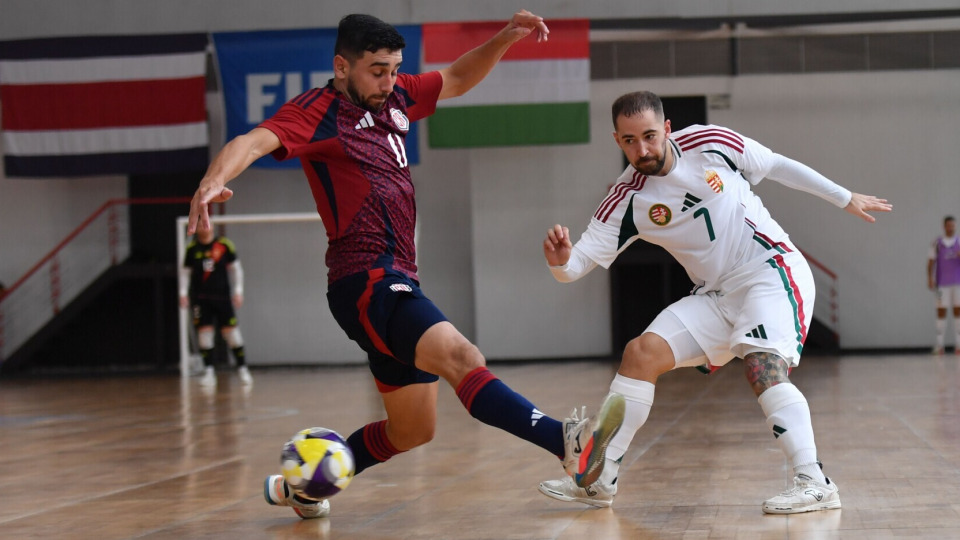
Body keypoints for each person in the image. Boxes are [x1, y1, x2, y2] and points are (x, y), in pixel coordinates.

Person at [187, 12, 625, 520]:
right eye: (376, 70)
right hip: (363, 280)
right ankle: (569, 446)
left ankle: (304, 486)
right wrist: (211, 181)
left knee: (413, 430)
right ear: (341, 65)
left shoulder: (395, 98)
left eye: (395, 69)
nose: (389, 81)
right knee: (463, 356)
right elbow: (252, 141)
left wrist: (505, 37)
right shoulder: (316, 111)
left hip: (396, 281)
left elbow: (457, 77)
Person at [539, 90, 891, 514]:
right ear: (617, 141)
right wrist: (560, 262)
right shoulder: (626, 198)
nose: (643, 149)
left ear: (667, 128)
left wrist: (843, 196)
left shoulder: (710, 144)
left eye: (650, 135)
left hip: (770, 269)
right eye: (630, 140)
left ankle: (814, 480)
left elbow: (776, 164)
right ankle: (598, 478)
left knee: (761, 364)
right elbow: (576, 264)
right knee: (641, 353)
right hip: (715, 295)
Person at [179, 227, 253, 387]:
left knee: (232, 333)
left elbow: (236, 270)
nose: (203, 228)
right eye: (200, 224)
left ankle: (242, 369)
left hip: (222, 298)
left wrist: (238, 291)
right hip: (201, 299)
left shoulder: (224, 245)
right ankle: (209, 372)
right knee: (204, 334)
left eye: (206, 224)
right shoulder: (192, 249)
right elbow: (185, 272)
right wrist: (183, 292)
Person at [927, 216, 960, 355]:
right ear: (944, 226)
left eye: (953, 225)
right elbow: (931, 261)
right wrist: (930, 278)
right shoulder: (937, 243)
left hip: (957, 283)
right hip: (942, 284)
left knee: (958, 311)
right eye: (948, 225)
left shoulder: (959, 242)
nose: (951, 228)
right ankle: (940, 345)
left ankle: (958, 346)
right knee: (941, 311)